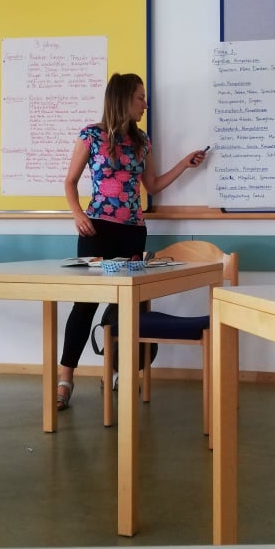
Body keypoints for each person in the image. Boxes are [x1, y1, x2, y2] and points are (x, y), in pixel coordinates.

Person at [57, 72, 208, 410]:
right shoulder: (90, 136)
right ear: (123, 99)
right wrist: (77, 214)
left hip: (132, 231)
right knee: (85, 304)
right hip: (96, 230)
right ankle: (65, 378)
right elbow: (69, 182)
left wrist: (185, 164)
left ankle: (117, 370)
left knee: (128, 305)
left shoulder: (141, 140)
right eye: (140, 97)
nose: (145, 104)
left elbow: (151, 185)